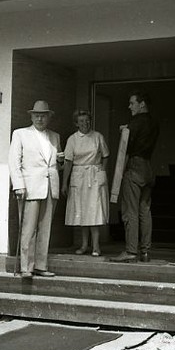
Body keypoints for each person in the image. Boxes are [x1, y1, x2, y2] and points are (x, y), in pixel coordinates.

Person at [8, 100, 62, 278]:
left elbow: (55, 163)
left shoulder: (55, 136)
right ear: (31, 116)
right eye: (37, 115)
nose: (40, 118)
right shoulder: (20, 134)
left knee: (45, 228)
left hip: (49, 186)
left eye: (43, 115)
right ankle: (26, 267)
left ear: (49, 117)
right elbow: (14, 162)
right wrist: (18, 185)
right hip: (29, 187)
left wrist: (60, 161)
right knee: (28, 228)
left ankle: (40, 265)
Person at [110, 91, 159, 263]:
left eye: (132, 103)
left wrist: (126, 130)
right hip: (148, 167)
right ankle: (145, 251)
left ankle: (131, 251)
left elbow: (126, 148)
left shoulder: (135, 122)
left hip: (135, 167)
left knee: (130, 210)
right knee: (145, 211)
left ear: (142, 103)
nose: (129, 106)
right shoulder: (153, 122)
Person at [61, 109, 110, 256]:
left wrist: (102, 171)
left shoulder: (98, 137)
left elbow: (106, 155)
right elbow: (68, 162)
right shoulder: (72, 139)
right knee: (82, 212)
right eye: (81, 121)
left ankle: (95, 246)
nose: (85, 123)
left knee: (94, 211)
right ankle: (83, 245)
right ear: (76, 123)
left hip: (94, 176)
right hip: (78, 176)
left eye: (87, 120)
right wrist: (65, 183)